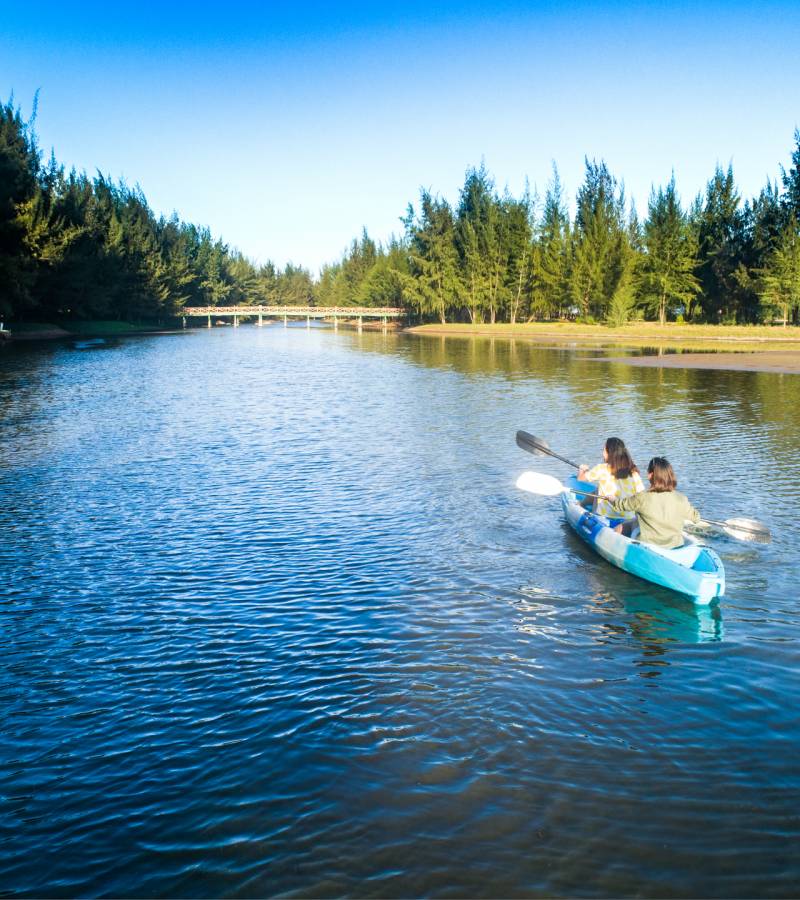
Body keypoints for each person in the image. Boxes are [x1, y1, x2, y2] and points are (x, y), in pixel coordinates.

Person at [611, 457, 701, 549]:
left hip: (649, 545)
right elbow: (696, 518)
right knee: (637, 521)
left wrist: (612, 499)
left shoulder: (642, 497)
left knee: (630, 523)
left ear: (650, 475)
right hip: (675, 545)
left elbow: (621, 505)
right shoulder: (682, 499)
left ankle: (612, 546)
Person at [577, 437, 645, 520]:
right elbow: (641, 495)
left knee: (598, 490)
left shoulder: (601, 468)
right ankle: (582, 504)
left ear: (609, 453)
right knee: (599, 489)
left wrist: (582, 469)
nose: (602, 453)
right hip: (628, 518)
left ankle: (581, 504)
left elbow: (580, 479)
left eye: (603, 450)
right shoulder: (633, 471)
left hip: (605, 517)